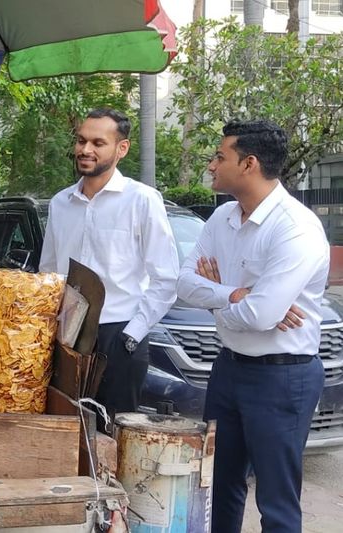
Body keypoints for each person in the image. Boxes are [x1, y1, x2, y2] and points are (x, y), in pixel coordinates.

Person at [177, 120, 327, 533]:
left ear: (249, 164)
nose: (211, 164)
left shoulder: (295, 228)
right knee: (218, 486)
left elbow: (260, 316)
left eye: (219, 157)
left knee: (276, 501)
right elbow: (185, 282)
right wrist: (234, 295)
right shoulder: (224, 216)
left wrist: (218, 295)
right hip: (229, 370)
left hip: (283, 377)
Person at [39, 108, 179, 428]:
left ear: (122, 148)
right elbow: (48, 271)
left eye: (98, 143)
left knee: (114, 431)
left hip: (120, 334)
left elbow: (166, 277)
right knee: (66, 426)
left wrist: (134, 333)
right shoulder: (61, 203)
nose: (85, 150)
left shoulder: (142, 200)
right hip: (68, 335)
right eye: (81, 141)